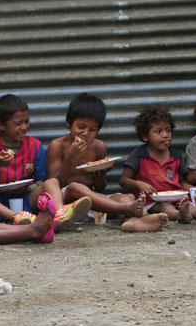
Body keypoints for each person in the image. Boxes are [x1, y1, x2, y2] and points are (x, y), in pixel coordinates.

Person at [46, 93, 168, 232]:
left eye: (93, 130)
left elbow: (100, 188)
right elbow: (54, 184)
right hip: (67, 204)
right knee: (76, 187)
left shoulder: (99, 147)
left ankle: (135, 221)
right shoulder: (57, 145)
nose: (86, 133)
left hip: (92, 203)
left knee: (127, 197)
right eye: (81, 127)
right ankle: (128, 210)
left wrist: (99, 174)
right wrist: (69, 159)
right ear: (69, 123)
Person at [0, 94, 91, 231]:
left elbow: (42, 179)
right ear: (1, 124)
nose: (25, 127)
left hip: (27, 199)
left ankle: (59, 217)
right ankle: (17, 217)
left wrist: (29, 188)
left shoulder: (34, 145)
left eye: (26, 121)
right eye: (18, 123)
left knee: (52, 182)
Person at [119, 106, 196, 223]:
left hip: (177, 198)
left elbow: (181, 182)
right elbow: (123, 180)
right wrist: (138, 184)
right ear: (145, 136)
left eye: (168, 130)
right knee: (165, 206)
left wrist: (194, 189)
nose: (165, 135)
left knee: (189, 205)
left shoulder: (176, 156)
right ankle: (180, 215)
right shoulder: (138, 155)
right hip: (152, 201)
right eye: (158, 131)